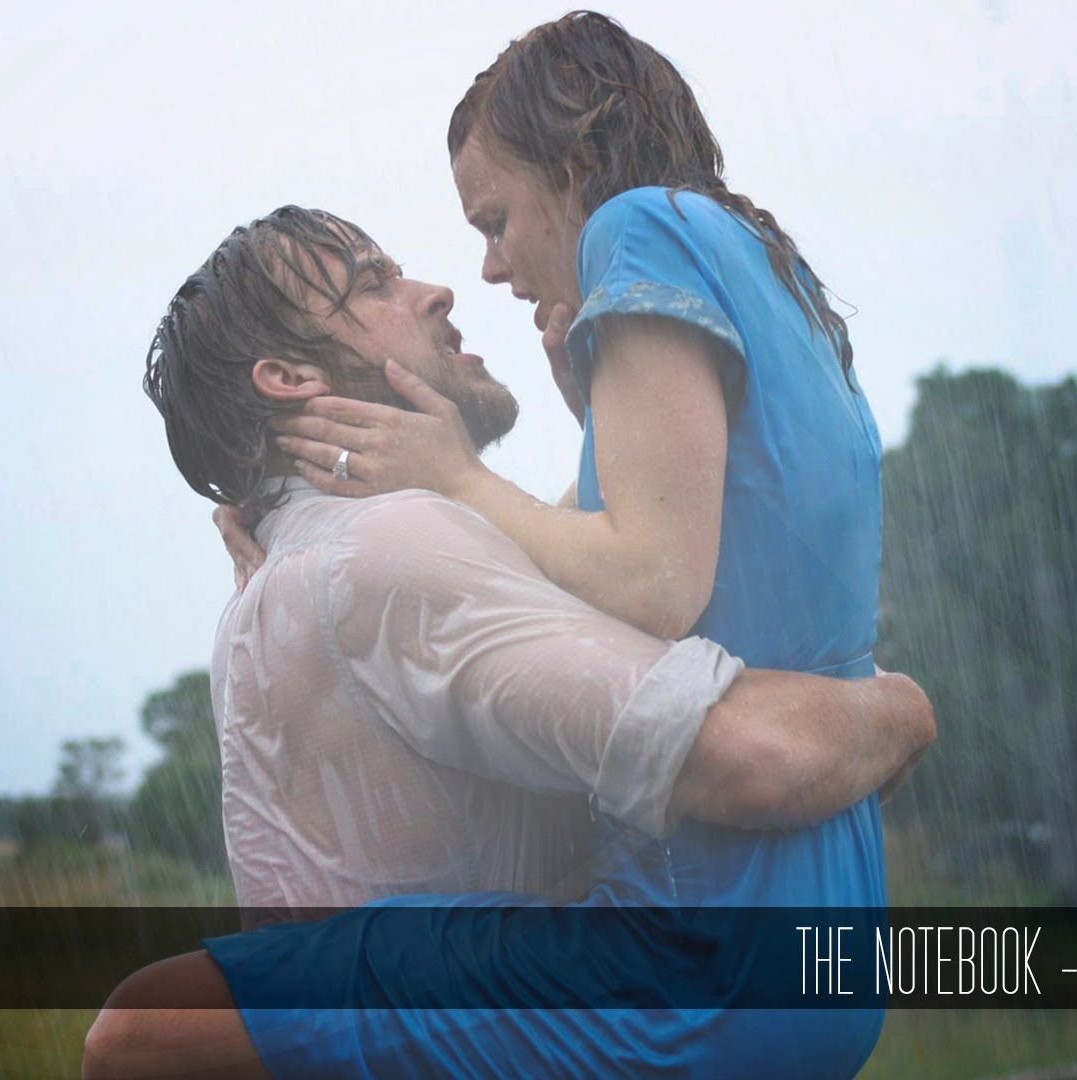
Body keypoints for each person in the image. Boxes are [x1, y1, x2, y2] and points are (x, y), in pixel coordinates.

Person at [83, 205, 931, 1078]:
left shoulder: (286, 577)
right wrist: (898, 706)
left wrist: (621, 441)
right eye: (373, 285)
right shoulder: (383, 552)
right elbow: (754, 760)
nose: (437, 291)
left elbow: (532, 589)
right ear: (291, 378)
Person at [239, 9, 900, 1075]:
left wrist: (460, 479)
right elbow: (749, 550)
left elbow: (655, 585)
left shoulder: (639, 227)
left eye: (496, 220)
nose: (492, 268)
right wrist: (596, 428)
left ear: (577, 163)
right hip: (834, 907)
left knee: (210, 1009)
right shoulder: (772, 272)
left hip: (707, 934)